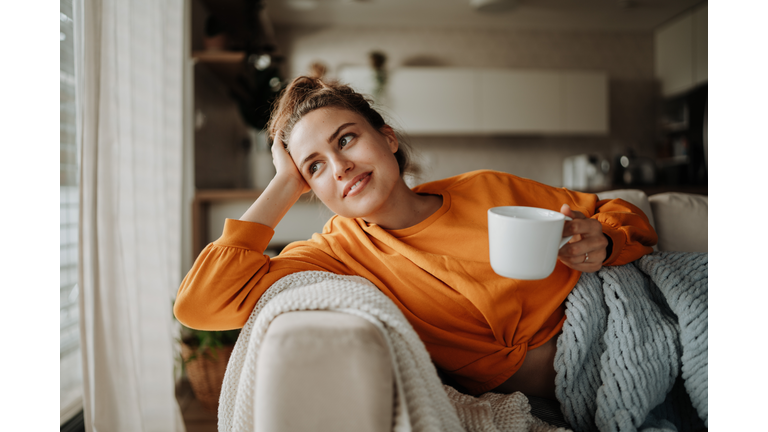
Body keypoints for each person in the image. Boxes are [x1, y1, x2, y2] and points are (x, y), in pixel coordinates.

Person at [174, 76, 657, 400]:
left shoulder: (487, 188)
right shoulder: (336, 253)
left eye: (345, 140)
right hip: (561, 396)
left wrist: (607, 241)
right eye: (315, 167)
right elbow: (200, 303)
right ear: (308, 188)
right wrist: (282, 185)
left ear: (387, 139)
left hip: (622, 328)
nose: (339, 166)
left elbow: (622, 212)